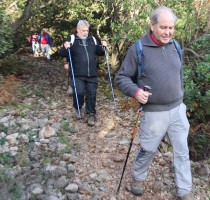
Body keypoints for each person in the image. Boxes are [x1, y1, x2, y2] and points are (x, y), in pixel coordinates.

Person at [116, 6, 192, 200]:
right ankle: (138, 178)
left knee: (182, 151)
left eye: (171, 27)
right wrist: (136, 91)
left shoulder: (175, 46)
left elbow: (179, 74)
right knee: (148, 149)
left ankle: (184, 190)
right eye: (163, 27)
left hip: (177, 109)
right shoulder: (139, 48)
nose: (168, 32)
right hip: (153, 112)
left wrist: (180, 98)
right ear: (152, 25)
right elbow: (122, 77)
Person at [59, 20, 107, 126]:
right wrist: (65, 47)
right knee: (79, 92)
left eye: (87, 30)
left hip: (92, 74)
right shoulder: (71, 39)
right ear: (78, 30)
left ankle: (91, 114)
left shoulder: (92, 39)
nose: (85, 32)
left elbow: (100, 52)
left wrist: (104, 46)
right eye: (83, 30)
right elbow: (61, 53)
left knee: (91, 94)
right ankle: (78, 107)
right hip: (77, 74)